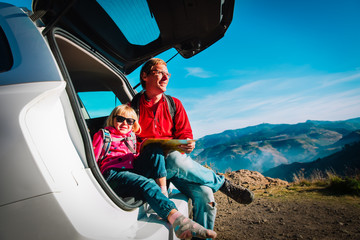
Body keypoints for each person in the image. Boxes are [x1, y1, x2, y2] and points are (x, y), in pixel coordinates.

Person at [131, 58, 254, 238]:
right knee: (172, 159)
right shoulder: (131, 109)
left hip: (176, 165)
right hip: (152, 167)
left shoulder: (175, 104)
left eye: (168, 74)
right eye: (160, 73)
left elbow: (185, 135)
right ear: (144, 75)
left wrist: (188, 144)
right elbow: (127, 144)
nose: (165, 77)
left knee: (206, 196)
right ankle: (221, 183)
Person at [92, 104, 217, 239]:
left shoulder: (131, 137)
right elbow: (92, 160)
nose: (125, 123)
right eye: (121, 119)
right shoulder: (103, 135)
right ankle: (179, 221)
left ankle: (163, 192)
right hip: (114, 174)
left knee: (154, 149)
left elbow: (133, 156)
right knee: (147, 184)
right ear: (113, 119)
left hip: (131, 171)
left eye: (130, 121)